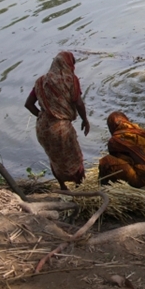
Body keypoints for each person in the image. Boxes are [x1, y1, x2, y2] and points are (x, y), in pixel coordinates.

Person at [24, 51, 90, 190]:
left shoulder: (41, 81)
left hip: (42, 128)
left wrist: (43, 116)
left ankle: (62, 186)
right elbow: (78, 103)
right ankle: (79, 186)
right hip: (61, 128)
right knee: (74, 156)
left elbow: (28, 104)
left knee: (55, 159)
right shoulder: (70, 79)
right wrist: (85, 120)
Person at [98, 112, 145, 188]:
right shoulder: (141, 132)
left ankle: (104, 189)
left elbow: (116, 161)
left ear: (111, 127)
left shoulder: (114, 140)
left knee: (106, 161)